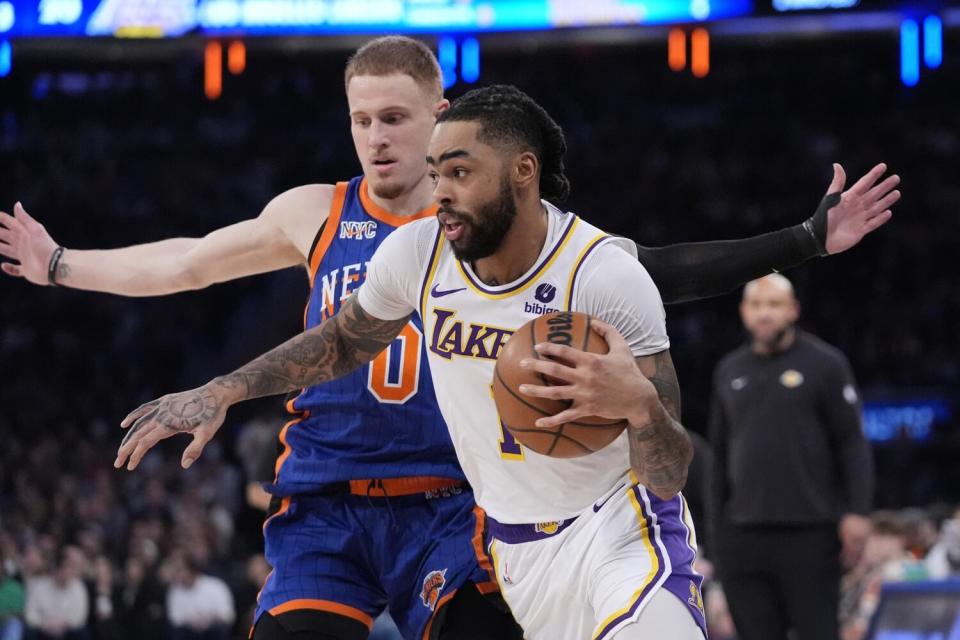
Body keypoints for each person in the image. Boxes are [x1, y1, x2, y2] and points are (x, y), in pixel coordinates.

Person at [0, 36, 899, 640]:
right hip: (328, 497)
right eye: (361, 120)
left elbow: (655, 265)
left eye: (396, 118)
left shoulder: (501, 225)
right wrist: (61, 266)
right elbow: (188, 263)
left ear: (439, 117)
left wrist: (804, 240)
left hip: (458, 509)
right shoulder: (317, 212)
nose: (377, 138)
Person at [708, 273, 875, 640]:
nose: (764, 314)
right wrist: (714, 531)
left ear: (793, 310)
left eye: (774, 304)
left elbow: (851, 443)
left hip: (810, 531)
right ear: (743, 312)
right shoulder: (729, 370)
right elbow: (718, 455)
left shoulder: (826, 364)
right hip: (742, 536)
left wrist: (858, 512)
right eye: (756, 305)